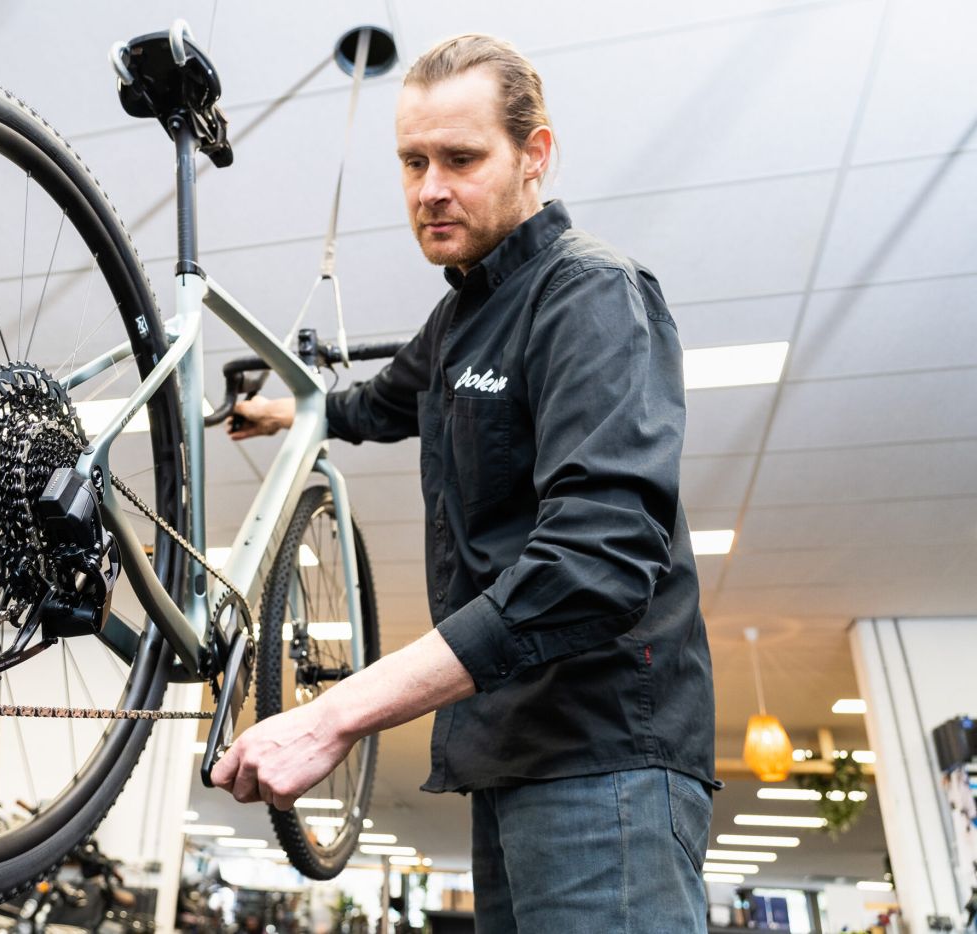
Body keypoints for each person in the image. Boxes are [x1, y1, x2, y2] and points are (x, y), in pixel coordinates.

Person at [209, 33, 718, 933]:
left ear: (534, 155)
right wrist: (288, 414)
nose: (429, 188)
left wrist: (336, 716)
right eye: (413, 162)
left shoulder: (589, 293)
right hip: (508, 761)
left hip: (604, 765)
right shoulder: (458, 321)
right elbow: (377, 404)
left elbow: (595, 563)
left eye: (460, 158)